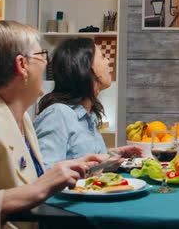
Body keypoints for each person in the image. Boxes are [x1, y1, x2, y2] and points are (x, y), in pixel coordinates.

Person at [0, 21, 106, 229]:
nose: (47, 65)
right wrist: (39, 189)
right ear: (22, 65)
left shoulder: (21, 119)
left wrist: (73, 167)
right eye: (41, 56)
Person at [34, 38, 142, 169]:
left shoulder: (89, 115)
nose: (109, 62)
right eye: (102, 57)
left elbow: (80, 159)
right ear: (84, 65)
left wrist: (111, 156)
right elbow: (45, 174)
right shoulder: (57, 114)